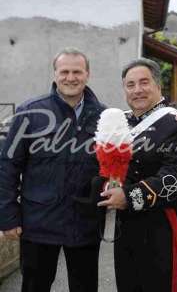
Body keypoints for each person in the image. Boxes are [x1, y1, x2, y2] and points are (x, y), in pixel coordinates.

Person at [0, 48, 105, 292]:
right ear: (55, 74)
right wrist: (7, 215)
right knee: (35, 286)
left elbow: (116, 164)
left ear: (87, 74)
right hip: (38, 224)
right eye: (64, 71)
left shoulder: (104, 116)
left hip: (84, 223)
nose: (71, 77)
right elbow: (7, 166)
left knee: (85, 287)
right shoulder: (31, 112)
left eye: (77, 71)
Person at [98, 58, 177, 292]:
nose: (137, 90)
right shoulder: (120, 122)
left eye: (144, 83)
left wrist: (130, 196)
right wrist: (105, 184)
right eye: (130, 85)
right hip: (126, 228)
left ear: (157, 85)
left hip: (162, 227)